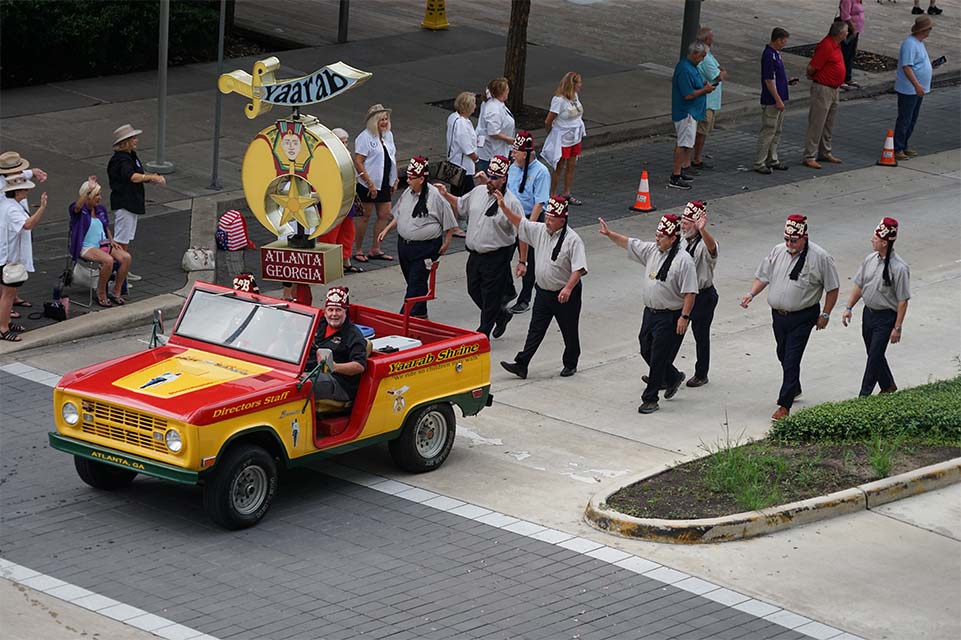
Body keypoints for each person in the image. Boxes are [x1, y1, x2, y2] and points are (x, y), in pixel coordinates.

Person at [740, 215, 840, 421]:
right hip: (779, 316)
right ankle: (794, 386)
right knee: (783, 353)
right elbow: (763, 276)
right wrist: (751, 294)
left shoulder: (820, 257)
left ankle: (784, 405)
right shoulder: (778, 251)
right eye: (787, 240)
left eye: (793, 241)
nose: (789, 244)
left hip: (803, 316)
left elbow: (833, 288)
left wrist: (826, 314)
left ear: (804, 237)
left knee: (792, 358)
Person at [599, 214, 697, 415]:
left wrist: (684, 317)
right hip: (650, 312)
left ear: (673, 238)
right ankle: (672, 377)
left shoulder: (684, 261)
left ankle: (651, 398)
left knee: (659, 355)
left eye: (662, 236)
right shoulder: (653, 251)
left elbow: (690, 292)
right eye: (657, 235)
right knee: (646, 348)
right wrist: (609, 234)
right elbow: (629, 243)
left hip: (670, 315)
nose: (657, 239)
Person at [499, 195, 587, 378]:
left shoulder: (573, 240)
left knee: (569, 331)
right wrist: (504, 207)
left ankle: (570, 363)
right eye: (546, 217)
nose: (547, 221)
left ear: (562, 221)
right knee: (535, 330)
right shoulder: (540, 230)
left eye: (551, 219)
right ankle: (522, 364)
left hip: (565, 295)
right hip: (543, 293)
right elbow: (521, 223)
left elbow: (578, 269)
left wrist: (568, 288)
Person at [436, 155, 521, 339]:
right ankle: (501, 315)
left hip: (496, 255)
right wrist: (445, 194)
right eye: (490, 176)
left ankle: (483, 332)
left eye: (495, 177)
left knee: (490, 295)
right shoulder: (479, 192)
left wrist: (522, 261)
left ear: (504, 179)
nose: (490, 180)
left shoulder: (511, 202)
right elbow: (461, 204)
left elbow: (522, 231)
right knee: (473, 289)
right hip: (475, 254)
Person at [377, 157, 458, 319]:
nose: (407, 181)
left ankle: (403, 319)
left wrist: (447, 242)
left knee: (415, 284)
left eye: (411, 178)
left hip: (425, 248)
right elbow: (399, 214)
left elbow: (450, 221)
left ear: (421, 179)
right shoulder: (408, 193)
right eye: (407, 177)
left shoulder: (435, 196)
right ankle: (420, 313)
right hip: (405, 246)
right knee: (415, 282)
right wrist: (386, 229)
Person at [842, 218, 910, 396]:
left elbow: (903, 300)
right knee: (873, 353)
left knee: (874, 357)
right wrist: (849, 307)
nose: (872, 240)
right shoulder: (870, 259)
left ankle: (863, 396)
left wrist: (897, 327)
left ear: (885, 242)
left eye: (875, 238)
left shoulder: (899, 268)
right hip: (869, 314)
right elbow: (859, 285)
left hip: (886, 317)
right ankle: (888, 385)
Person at [107, 124, 167, 280]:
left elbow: (138, 175)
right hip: (125, 202)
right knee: (121, 239)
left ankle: (123, 269)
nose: (136, 140)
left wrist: (149, 178)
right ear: (126, 141)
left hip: (132, 202)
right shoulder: (121, 160)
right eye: (133, 138)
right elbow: (132, 177)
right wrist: (152, 177)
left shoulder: (131, 156)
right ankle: (120, 270)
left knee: (126, 237)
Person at [506, 131, 551, 315]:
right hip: (511, 219)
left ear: (525, 153)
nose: (512, 154)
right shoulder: (513, 167)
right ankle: (507, 292)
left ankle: (525, 299)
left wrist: (528, 227)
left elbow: (539, 203)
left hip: (531, 218)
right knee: (504, 257)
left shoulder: (541, 172)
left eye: (515, 151)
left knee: (529, 261)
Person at [69, 177, 132, 307]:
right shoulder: (79, 211)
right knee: (108, 260)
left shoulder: (100, 209)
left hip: (103, 243)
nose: (100, 197)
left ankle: (116, 290)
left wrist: (111, 240)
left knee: (126, 257)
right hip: (86, 246)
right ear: (88, 197)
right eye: (96, 195)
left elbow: (105, 226)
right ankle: (101, 292)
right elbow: (77, 207)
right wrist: (88, 190)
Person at [0, 174, 48, 341]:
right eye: (25, 189)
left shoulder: (7, 204)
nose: (27, 191)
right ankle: (3, 328)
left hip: (6, 255)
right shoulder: (12, 208)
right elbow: (27, 225)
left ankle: (6, 320)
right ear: (17, 191)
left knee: (8, 293)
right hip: (8, 258)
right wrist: (41, 208)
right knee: (8, 294)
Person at [306, 286, 368, 404]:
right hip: (312, 370)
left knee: (300, 387)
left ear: (345, 312)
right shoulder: (319, 323)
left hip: (340, 383)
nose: (334, 314)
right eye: (330, 310)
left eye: (338, 310)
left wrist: (334, 367)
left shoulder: (353, 334)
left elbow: (360, 366)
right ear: (325, 312)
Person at [352, 104, 398, 263]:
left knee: (384, 214)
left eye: (386, 119)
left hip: (384, 181)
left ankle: (375, 248)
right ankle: (358, 249)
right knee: (364, 216)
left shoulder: (388, 135)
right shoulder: (364, 137)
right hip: (368, 183)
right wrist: (369, 182)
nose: (384, 122)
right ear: (373, 121)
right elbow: (358, 162)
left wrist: (395, 178)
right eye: (381, 120)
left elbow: (392, 157)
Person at [680, 201, 718, 388]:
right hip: (684, 295)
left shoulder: (705, 243)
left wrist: (703, 230)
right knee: (672, 333)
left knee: (700, 335)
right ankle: (663, 372)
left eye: (687, 222)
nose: (683, 225)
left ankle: (701, 374)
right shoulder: (681, 240)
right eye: (683, 221)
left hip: (703, 296)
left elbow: (712, 248)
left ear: (697, 224)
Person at [803, 21, 848, 170]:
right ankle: (809, 155)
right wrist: (813, 76)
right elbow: (812, 67)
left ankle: (825, 151)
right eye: (846, 31)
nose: (848, 33)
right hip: (823, 88)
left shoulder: (836, 44)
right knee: (817, 122)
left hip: (833, 89)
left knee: (828, 122)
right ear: (840, 34)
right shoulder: (826, 45)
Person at [317, 128, 363, 274]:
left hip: (346, 198)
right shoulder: (326, 157)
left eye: (346, 141)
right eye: (341, 142)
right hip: (331, 200)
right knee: (330, 234)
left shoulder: (347, 156)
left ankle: (345, 261)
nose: (345, 144)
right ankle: (328, 265)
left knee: (348, 231)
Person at [670, 41, 715, 190]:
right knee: (683, 143)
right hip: (686, 112)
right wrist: (705, 90)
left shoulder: (691, 67)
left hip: (692, 112)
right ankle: (675, 175)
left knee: (687, 142)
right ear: (694, 53)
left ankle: (681, 170)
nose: (702, 59)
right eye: (701, 56)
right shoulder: (684, 69)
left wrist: (704, 86)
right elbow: (688, 95)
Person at [754, 28, 798, 175]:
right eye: (784, 41)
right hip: (772, 100)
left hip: (779, 98)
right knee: (768, 131)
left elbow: (776, 77)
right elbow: (768, 80)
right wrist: (778, 99)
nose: (785, 44)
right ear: (778, 40)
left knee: (776, 131)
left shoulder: (776, 54)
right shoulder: (769, 55)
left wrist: (786, 82)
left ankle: (772, 159)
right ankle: (760, 162)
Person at [894, 16, 935, 161]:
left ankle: (903, 144)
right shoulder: (910, 44)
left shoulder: (919, 43)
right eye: (929, 28)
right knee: (905, 118)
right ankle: (897, 147)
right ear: (923, 30)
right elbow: (907, 66)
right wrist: (916, 84)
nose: (930, 31)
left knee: (912, 118)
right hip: (909, 89)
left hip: (916, 89)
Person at [543, 72, 586, 204]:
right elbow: (548, 120)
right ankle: (551, 194)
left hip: (575, 137)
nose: (581, 85)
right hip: (563, 138)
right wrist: (551, 133)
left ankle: (567, 193)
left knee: (571, 166)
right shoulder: (559, 100)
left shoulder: (575, 96)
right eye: (579, 82)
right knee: (559, 166)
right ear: (572, 84)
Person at [692, 28, 726, 170]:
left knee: (703, 131)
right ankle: (695, 159)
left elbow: (719, 68)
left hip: (711, 100)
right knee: (701, 131)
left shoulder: (708, 53)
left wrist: (721, 71)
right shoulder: (705, 57)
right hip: (706, 101)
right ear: (707, 39)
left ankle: (695, 158)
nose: (713, 39)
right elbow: (718, 75)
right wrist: (722, 72)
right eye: (712, 37)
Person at [475, 78, 515, 174]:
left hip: (497, 150)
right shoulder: (494, 109)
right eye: (507, 89)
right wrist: (508, 139)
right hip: (492, 153)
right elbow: (493, 132)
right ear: (501, 92)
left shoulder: (496, 103)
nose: (508, 92)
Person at [446, 91, 479, 198]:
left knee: (456, 193)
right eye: (474, 104)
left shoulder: (453, 117)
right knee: (467, 196)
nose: (475, 106)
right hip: (463, 167)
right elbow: (466, 148)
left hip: (453, 163)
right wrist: (476, 158)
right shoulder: (462, 124)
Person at [838, 1, 864, 90]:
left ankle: (847, 77)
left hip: (855, 31)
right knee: (844, 54)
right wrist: (853, 29)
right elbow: (845, 15)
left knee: (851, 54)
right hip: (848, 31)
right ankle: (840, 79)